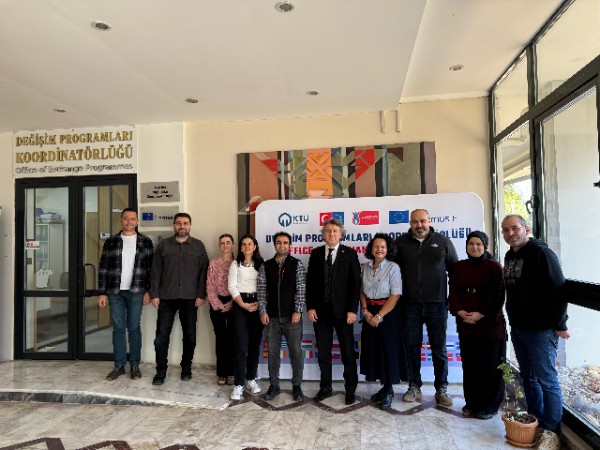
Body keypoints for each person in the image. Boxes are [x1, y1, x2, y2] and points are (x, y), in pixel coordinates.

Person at [502, 214, 569, 444]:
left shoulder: (542, 253)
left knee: (547, 380)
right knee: (529, 379)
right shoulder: (510, 255)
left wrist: (560, 324)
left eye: (514, 228)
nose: (510, 234)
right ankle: (536, 422)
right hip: (519, 328)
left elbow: (559, 290)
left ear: (526, 229)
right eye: (505, 230)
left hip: (541, 330)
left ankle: (552, 432)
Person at [393, 208, 458, 406]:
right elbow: (392, 273)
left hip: (437, 305)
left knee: (439, 349)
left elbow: (455, 272)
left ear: (429, 221)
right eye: (415, 221)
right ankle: (414, 387)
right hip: (409, 305)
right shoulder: (400, 243)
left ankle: (441, 389)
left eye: (422, 221)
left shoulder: (443, 242)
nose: (419, 225)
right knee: (412, 348)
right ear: (410, 223)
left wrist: (453, 299)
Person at [448, 231, 506, 420]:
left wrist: (480, 314)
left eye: (479, 244)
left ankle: (489, 406)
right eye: (471, 243)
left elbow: (497, 295)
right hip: (466, 323)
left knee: (490, 366)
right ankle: (472, 403)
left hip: (490, 325)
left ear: (485, 246)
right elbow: (453, 291)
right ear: (466, 246)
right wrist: (460, 311)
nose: (474, 247)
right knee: (471, 366)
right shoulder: (459, 267)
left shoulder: (494, 267)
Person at [149, 213, 208, 385]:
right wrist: (154, 294)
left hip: (190, 298)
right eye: (179, 223)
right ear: (174, 225)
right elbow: (155, 271)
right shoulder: (163, 245)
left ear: (190, 226)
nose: (182, 226)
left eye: (185, 223)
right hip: (166, 298)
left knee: (190, 336)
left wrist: (201, 294)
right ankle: (160, 371)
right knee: (161, 337)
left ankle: (186, 368)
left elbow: (204, 272)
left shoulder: (198, 246)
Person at [307, 218, 361, 405]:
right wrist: (310, 306)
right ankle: (325, 387)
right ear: (323, 234)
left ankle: (350, 389)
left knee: (347, 353)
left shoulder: (350, 254)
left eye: (335, 231)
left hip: (343, 313)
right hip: (321, 313)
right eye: (328, 231)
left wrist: (352, 310)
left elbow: (355, 285)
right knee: (323, 353)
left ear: (341, 234)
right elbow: (310, 283)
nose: (331, 234)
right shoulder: (315, 254)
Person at [98, 208, 154, 381]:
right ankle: (119, 365)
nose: (129, 222)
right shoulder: (111, 242)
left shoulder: (145, 242)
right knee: (118, 329)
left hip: (136, 291)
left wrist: (149, 291)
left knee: (134, 328)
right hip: (115, 292)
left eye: (132, 219)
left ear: (137, 221)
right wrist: (102, 293)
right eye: (126, 218)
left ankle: (135, 365)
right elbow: (103, 268)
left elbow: (150, 269)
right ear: (121, 220)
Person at [359, 233, 408, 410]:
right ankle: (383, 387)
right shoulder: (365, 267)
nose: (379, 249)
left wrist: (379, 316)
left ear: (388, 250)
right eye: (376, 246)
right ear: (371, 249)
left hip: (387, 314)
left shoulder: (393, 267)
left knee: (388, 352)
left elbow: (395, 295)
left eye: (383, 247)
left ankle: (388, 390)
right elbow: (361, 291)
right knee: (374, 352)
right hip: (369, 313)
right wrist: (365, 312)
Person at [258, 231, 307, 402]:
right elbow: (261, 291)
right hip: (271, 318)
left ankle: (297, 386)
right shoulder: (266, 266)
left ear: (290, 245)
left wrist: (298, 310)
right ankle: (274, 385)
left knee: (296, 353)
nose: (282, 245)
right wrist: (262, 311)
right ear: (275, 245)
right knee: (272, 354)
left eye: (285, 242)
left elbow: (301, 289)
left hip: (292, 318)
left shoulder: (297, 264)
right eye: (279, 242)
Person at [228, 234, 265, 400]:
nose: (247, 246)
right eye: (244, 244)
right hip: (240, 305)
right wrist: (243, 305)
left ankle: (251, 378)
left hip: (257, 304)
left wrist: (259, 303)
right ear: (241, 247)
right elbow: (231, 286)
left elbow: (266, 285)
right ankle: (238, 384)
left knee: (254, 345)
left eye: (250, 244)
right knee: (240, 346)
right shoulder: (235, 264)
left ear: (255, 246)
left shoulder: (262, 264)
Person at [206, 233, 236, 386]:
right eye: (222, 243)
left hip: (235, 302)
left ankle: (232, 372)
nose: (225, 245)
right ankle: (222, 373)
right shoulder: (213, 263)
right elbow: (209, 285)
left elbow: (241, 285)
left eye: (228, 242)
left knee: (232, 337)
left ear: (233, 244)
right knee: (220, 337)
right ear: (219, 246)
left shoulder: (238, 263)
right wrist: (217, 304)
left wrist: (230, 303)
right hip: (216, 303)